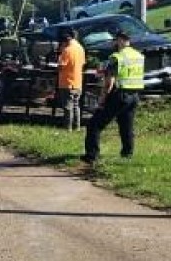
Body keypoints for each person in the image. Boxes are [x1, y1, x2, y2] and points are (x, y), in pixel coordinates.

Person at [82, 29, 143, 164]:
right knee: (126, 126)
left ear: (120, 40)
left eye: (115, 40)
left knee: (94, 124)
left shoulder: (117, 57)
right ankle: (127, 154)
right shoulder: (138, 55)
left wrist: (102, 99)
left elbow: (109, 82)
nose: (114, 43)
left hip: (120, 95)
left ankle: (92, 155)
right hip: (134, 96)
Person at [55, 27, 86, 131]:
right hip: (78, 82)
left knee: (68, 107)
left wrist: (59, 57)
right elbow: (82, 63)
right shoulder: (80, 48)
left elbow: (61, 66)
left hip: (67, 82)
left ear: (65, 41)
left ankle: (68, 128)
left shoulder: (67, 50)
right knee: (76, 106)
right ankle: (77, 127)